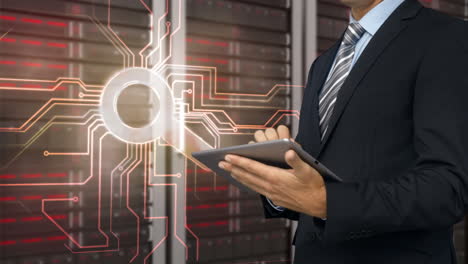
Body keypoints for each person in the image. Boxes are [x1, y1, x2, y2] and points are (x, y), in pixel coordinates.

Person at [218, 0, 468, 263]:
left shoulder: (446, 37)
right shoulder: (324, 63)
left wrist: (327, 202)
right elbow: (316, 178)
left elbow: (448, 188)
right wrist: (279, 183)